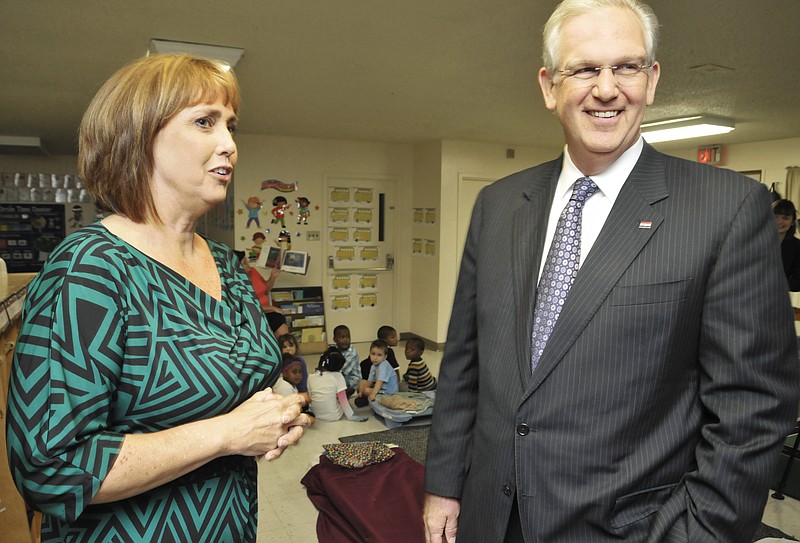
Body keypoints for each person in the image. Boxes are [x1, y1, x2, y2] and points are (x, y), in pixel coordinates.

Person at [423, 1, 800, 542]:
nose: (606, 88)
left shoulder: (727, 209)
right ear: (550, 86)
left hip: (630, 529)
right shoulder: (499, 204)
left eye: (626, 67)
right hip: (490, 516)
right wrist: (443, 486)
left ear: (652, 80)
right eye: (584, 69)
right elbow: (464, 364)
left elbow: (754, 407)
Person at [5, 54, 312, 543]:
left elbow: (233, 379)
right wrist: (226, 434)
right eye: (204, 122)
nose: (229, 144)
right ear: (138, 139)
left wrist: (272, 414)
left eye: (230, 126)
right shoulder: (89, 269)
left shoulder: (227, 266)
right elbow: (51, 468)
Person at [233, 249, 288, 337]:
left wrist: (273, 276)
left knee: (280, 320)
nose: (248, 264)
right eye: (244, 263)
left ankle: (285, 348)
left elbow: (265, 290)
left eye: (246, 261)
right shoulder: (235, 282)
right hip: (252, 314)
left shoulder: (253, 271)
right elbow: (247, 305)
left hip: (267, 312)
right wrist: (272, 308)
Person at [307, 348, 368, 422]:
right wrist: (352, 416)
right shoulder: (338, 376)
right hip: (333, 416)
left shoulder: (310, 377)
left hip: (315, 415)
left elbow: (310, 398)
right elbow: (343, 400)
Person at [355, 339, 399, 407]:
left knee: (367, 390)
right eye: (373, 354)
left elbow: (379, 382)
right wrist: (361, 390)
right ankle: (361, 396)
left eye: (379, 355)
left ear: (385, 357)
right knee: (362, 382)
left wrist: (373, 394)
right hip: (380, 388)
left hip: (389, 391)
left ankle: (370, 398)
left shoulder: (384, 365)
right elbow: (369, 381)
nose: (375, 357)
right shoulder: (373, 366)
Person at [273, 354, 315, 423]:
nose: (298, 375)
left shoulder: (285, 382)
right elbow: (289, 409)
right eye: (294, 372)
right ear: (285, 373)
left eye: (300, 372)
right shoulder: (285, 387)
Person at [773, 199, 800, 291]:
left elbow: (798, 283)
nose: (779, 221)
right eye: (775, 216)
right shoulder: (755, 240)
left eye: (785, 218)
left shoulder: (797, 246)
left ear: (792, 222)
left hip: (778, 298)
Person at [277, 333, 310, 404]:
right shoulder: (278, 362)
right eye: (284, 347)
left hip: (299, 393)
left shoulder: (299, 361)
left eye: (291, 346)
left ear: (296, 347)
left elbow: (303, 383)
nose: (288, 349)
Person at [331, 324, 361, 393]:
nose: (346, 340)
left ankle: (345, 392)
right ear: (335, 339)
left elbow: (341, 370)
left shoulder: (352, 353)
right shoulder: (333, 348)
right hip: (338, 374)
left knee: (335, 382)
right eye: (342, 338)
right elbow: (325, 359)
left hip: (351, 378)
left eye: (348, 337)